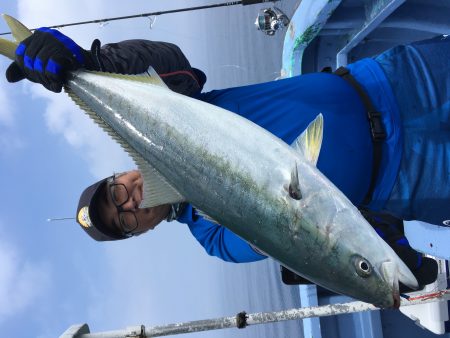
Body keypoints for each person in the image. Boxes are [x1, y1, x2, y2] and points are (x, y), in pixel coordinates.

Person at [5, 28, 447, 282]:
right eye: (123, 221)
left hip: (391, 82)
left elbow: (172, 64)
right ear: (138, 232)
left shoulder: (163, 119)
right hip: (409, 176)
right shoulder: (214, 238)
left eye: (115, 193)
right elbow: (291, 231)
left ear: (120, 173)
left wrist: (90, 63)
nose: (130, 204)